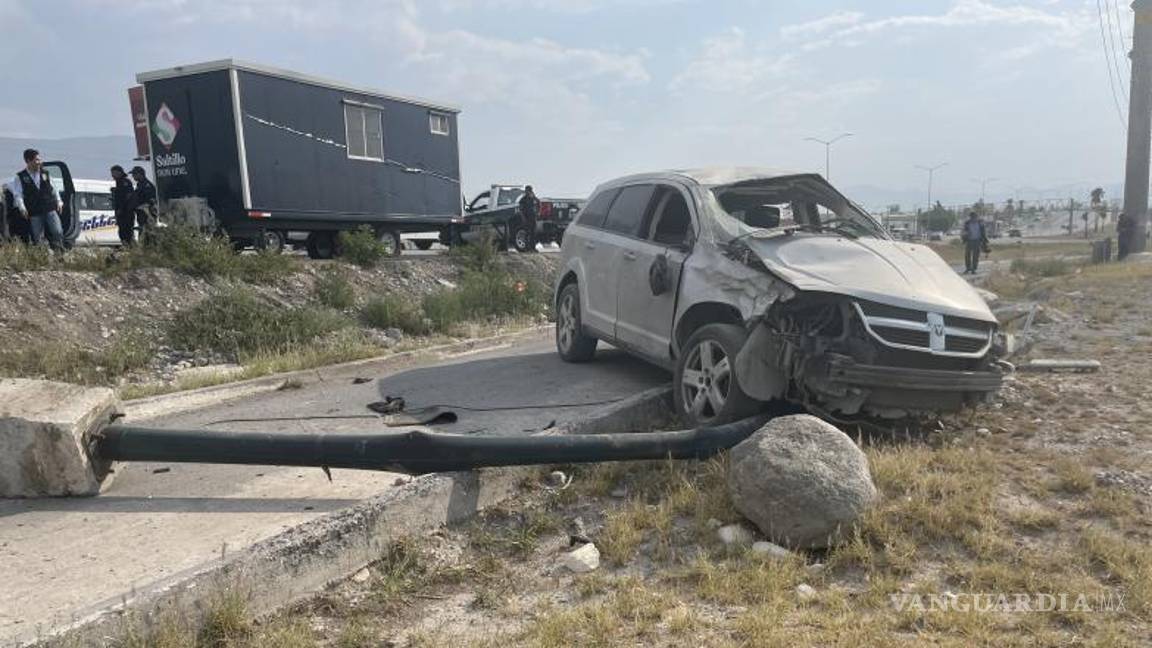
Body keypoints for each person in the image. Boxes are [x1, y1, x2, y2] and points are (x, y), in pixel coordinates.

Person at [11, 148, 64, 251]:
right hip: (35, 211)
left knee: (58, 231)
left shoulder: (45, 173)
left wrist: (59, 201)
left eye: (39, 159)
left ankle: (59, 252)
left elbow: (54, 189)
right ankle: (42, 257)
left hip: (49, 208)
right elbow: (18, 195)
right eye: (36, 160)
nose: (40, 162)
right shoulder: (20, 177)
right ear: (28, 161)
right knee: (38, 237)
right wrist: (22, 208)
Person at [126, 166, 157, 241]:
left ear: (140, 174)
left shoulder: (147, 185)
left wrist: (142, 206)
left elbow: (150, 201)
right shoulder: (140, 185)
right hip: (141, 215)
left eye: (134, 174)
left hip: (147, 216)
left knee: (147, 235)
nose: (133, 176)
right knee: (142, 234)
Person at [517, 185, 540, 252]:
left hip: (533, 218)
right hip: (526, 218)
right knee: (527, 233)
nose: (527, 192)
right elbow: (521, 209)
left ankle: (533, 247)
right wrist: (523, 217)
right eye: (526, 190)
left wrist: (538, 212)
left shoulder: (534, 198)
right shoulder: (523, 199)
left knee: (533, 233)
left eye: (528, 190)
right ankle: (527, 248)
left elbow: (538, 204)